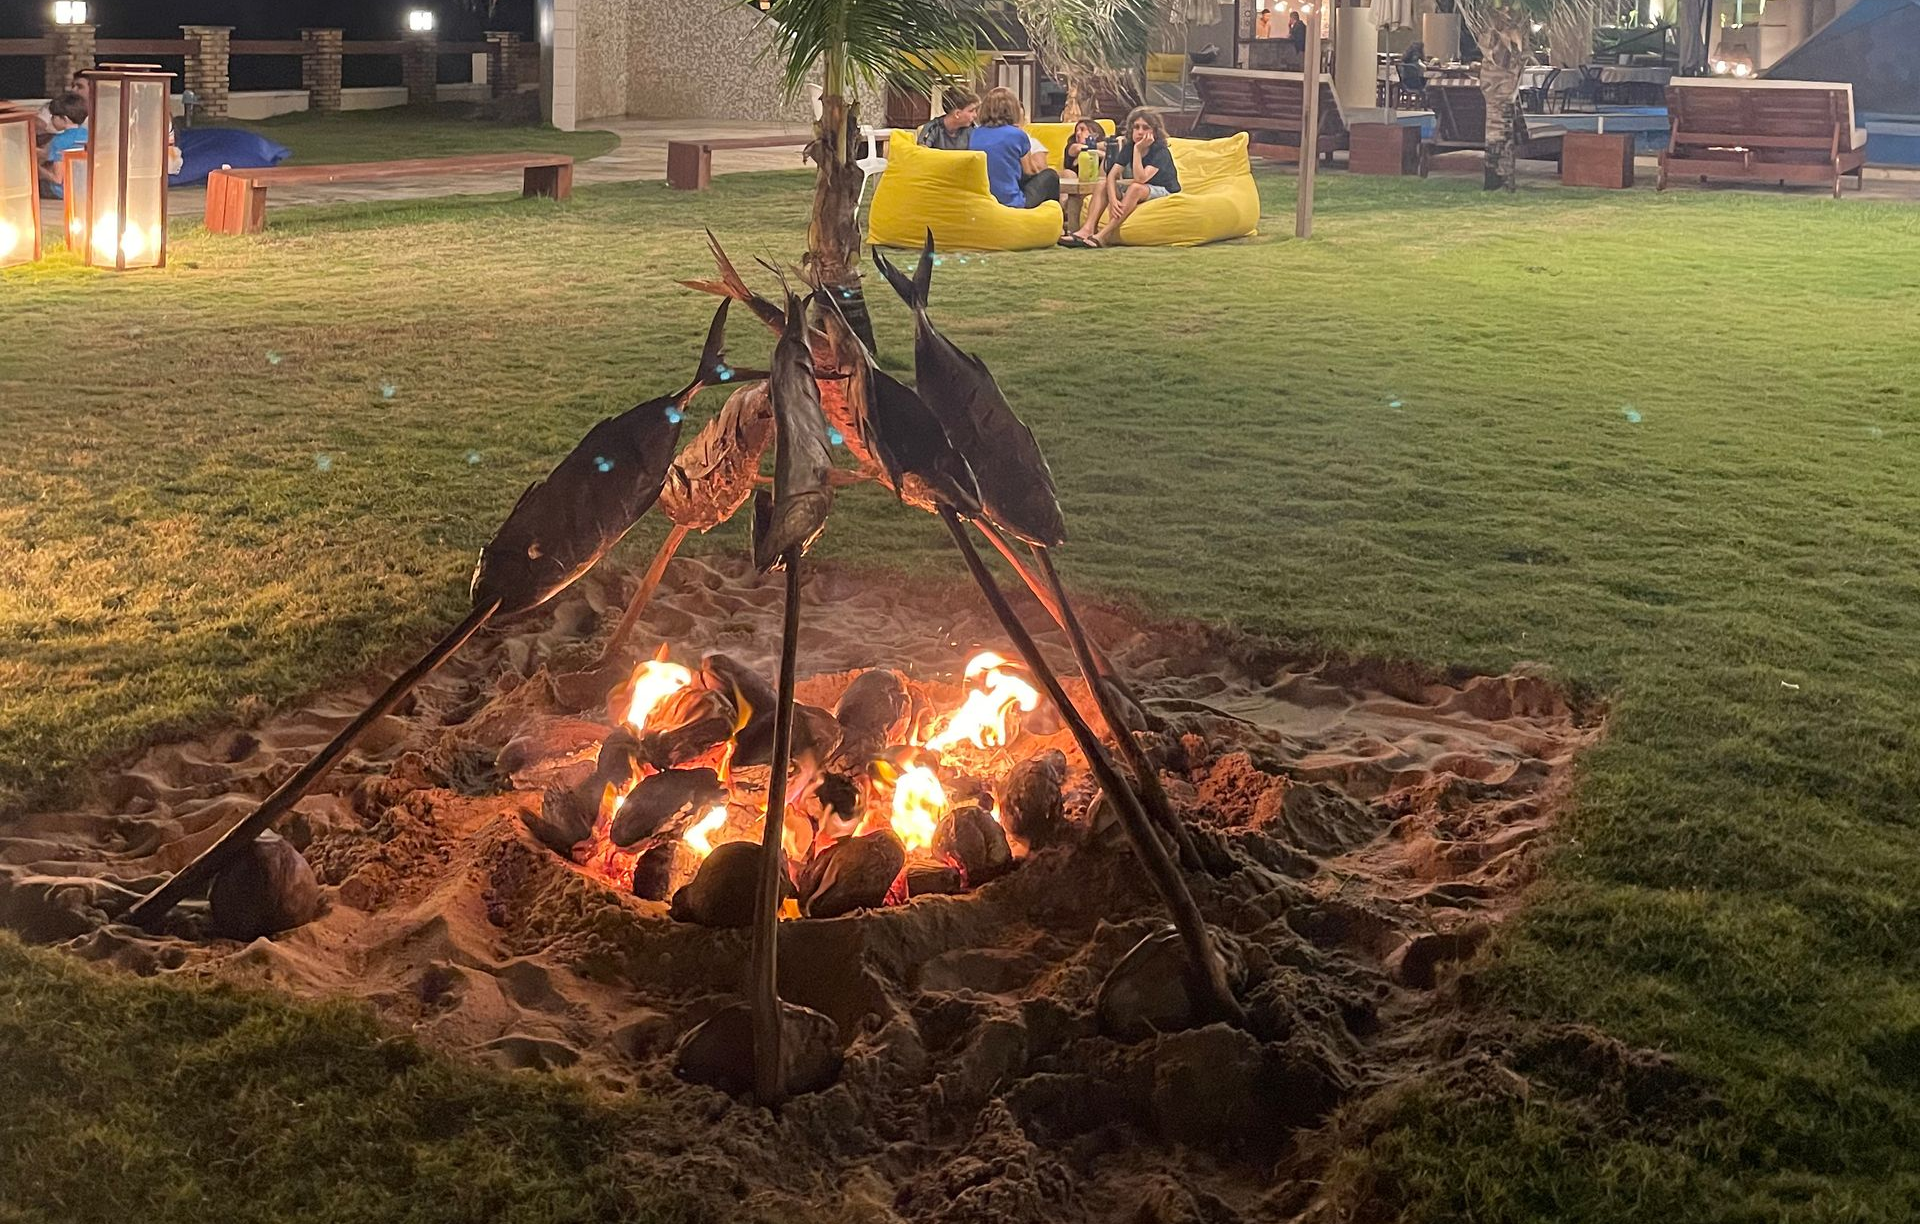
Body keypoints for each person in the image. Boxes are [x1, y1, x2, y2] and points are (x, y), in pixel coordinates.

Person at [1060, 106, 1179, 249]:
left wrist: (1137, 150)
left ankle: (1104, 235)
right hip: (1142, 187)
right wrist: (1113, 199)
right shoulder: (1129, 146)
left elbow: (1141, 179)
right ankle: (1087, 230)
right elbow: (1112, 174)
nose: (1140, 132)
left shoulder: (1160, 151)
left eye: (1145, 128)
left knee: (1135, 188)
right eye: (1136, 127)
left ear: (1154, 131)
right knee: (1102, 184)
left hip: (1164, 190)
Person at [971, 86, 1059, 209]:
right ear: (1014, 110)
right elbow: (1030, 171)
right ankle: (1050, 222)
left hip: (983, 200)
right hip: (1011, 202)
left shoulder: (974, 134)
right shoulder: (1017, 135)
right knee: (1051, 176)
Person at [39, 94, 87, 198]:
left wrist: (38, 169)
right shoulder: (88, 135)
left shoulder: (59, 141)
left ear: (64, 119)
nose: (51, 119)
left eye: (53, 116)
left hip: (62, 194)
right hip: (85, 190)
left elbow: (58, 178)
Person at [915, 87, 978, 152]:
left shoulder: (973, 130)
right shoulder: (932, 128)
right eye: (971, 111)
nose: (975, 115)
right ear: (957, 114)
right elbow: (922, 154)